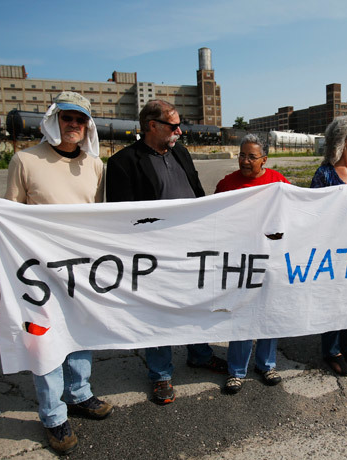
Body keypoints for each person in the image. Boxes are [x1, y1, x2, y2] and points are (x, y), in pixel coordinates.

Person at [5, 91, 112, 454]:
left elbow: (99, 220)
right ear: (54, 119)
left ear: (88, 126)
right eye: (68, 118)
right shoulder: (25, 160)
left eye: (81, 120)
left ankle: (80, 393)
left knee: (81, 332)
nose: (74, 125)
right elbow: (10, 217)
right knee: (46, 341)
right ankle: (53, 415)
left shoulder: (95, 166)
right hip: (37, 274)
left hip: (82, 271)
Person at [106, 99, 227, 405]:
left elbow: (198, 195)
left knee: (196, 304)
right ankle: (161, 374)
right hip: (154, 257)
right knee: (158, 313)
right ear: (152, 126)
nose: (180, 131)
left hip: (192, 249)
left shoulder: (181, 153)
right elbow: (124, 219)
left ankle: (200, 354)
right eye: (173, 126)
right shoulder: (124, 163)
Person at [215, 134, 290, 394]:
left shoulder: (278, 182)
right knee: (242, 313)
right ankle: (236, 370)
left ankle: (267, 364)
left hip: (270, 259)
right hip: (240, 260)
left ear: (264, 159)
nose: (245, 161)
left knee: (269, 312)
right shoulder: (227, 184)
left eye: (251, 157)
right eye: (242, 155)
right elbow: (214, 220)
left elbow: (293, 215)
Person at [310, 115, 347, 375]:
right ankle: (331, 350)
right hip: (332, 251)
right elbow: (313, 214)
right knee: (334, 300)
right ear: (343, 141)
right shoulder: (324, 174)